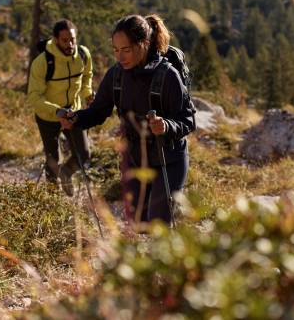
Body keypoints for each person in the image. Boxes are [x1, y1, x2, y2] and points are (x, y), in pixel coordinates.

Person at [60, 14, 195, 225]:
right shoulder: (117, 75)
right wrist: (76, 118)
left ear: (144, 44)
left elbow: (187, 120)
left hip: (168, 160)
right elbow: (98, 111)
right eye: (116, 50)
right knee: (138, 222)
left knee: (158, 224)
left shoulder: (167, 76)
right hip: (134, 158)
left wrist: (166, 125)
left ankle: (167, 257)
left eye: (126, 50)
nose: (120, 57)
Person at [27, 19, 94, 195]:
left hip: (73, 112)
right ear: (55, 40)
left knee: (83, 154)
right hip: (48, 116)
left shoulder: (83, 55)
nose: (70, 44)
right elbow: (34, 97)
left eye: (73, 39)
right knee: (52, 160)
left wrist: (87, 93)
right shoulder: (42, 63)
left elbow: (87, 75)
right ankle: (53, 201)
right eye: (65, 40)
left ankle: (66, 173)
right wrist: (56, 111)